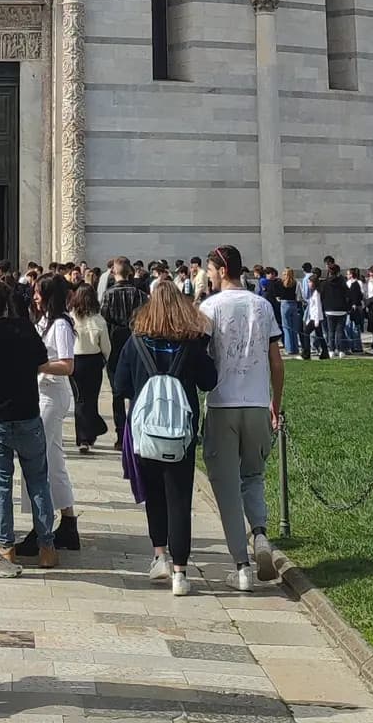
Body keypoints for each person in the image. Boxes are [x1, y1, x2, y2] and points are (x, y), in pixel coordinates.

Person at [112, 279, 216, 597]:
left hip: (146, 433)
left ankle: (159, 556)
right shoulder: (191, 343)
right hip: (180, 435)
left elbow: (120, 385)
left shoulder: (136, 341)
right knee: (180, 500)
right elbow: (209, 381)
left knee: (154, 495)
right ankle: (180, 573)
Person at [199, 243, 283, 593]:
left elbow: (199, 357)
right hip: (257, 402)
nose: (206, 275)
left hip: (222, 403)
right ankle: (260, 535)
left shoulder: (210, 306)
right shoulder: (262, 305)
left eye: (209, 269)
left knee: (226, 487)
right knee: (253, 474)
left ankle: (241, 565)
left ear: (220, 270)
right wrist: (275, 404)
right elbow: (276, 361)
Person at [0, 275, 55, 575]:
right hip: (29, 413)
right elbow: (41, 361)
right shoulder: (24, 328)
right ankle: (47, 547)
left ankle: (6, 546)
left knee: (1, 484)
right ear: (6, 302)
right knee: (38, 481)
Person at [17, 273, 79, 555]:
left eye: (39, 292)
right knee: (54, 459)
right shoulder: (45, 322)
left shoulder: (62, 325)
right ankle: (68, 521)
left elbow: (67, 365)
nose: (35, 296)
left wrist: (38, 365)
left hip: (52, 395)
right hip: (42, 393)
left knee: (35, 459)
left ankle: (39, 526)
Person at [102, 257, 147, 446]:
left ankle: (121, 435)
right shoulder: (140, 295)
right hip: (136, 341)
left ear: (114, 273)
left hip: (115, 342)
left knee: (117, 392)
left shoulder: (109, 294)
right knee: (138, 389)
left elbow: (104, 318)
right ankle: (136, 431)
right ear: (130, 272)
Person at [69, 282, 110, 452]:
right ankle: (90, 434)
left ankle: (83, 437)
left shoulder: (71, 318)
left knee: (79, 399)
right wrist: (104, 360)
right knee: (91, 398)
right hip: (93, 361)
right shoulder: (99, 320)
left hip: (76, 360)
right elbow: (106, 346)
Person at [320, 264, 349, 359]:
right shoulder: (343, 282)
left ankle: (331, 350)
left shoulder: (324, 283)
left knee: (330, 331)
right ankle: (341, 350)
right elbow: (348, 295)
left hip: (329, 309)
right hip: (341, 309)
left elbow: (322, 296)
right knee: (340, 331)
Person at [276, 269, 302, 357]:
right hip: (293, 304)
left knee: (286, 327)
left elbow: (278, 296)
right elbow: (298, 296)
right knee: (294, 328)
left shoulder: (280, 283)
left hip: (284, 304)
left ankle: (289, 349)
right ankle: (295, 348)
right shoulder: (296, 283)